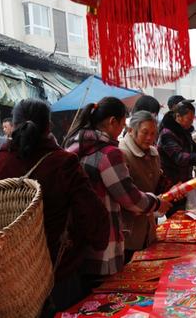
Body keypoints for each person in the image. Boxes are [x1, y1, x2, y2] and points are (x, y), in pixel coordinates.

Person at [0, 99, 109, 314]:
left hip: (7, 273)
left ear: (12, 124)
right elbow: (92, 215)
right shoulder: (64, 163)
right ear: (48, 126)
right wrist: (95, 242)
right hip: (56, 272)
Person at [64, 97, 171, 282]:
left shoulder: (74, 145)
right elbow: (130, 198)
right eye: (122, 124)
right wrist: (157, 203)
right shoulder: (109, 153)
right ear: (113, 122)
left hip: (77, 239)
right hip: (104, 242)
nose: (122, 130)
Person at [158, 100, 196, 217]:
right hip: (172, 186)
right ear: (178, 117)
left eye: (192, 120)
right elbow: (180, 157)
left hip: (185, 184)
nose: (191, 123)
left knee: (188, 217)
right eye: (189, 119)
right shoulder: (167, 134)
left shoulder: (183, 132)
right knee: (177, 219)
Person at [119, 111, 165, 262]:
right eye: (145, 133)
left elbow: (155, 185)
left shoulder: (154, 153)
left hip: (148, 228)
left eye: (153, 133)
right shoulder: (121, 154)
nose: (150, 138)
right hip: (128, 232)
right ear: (131, 130)